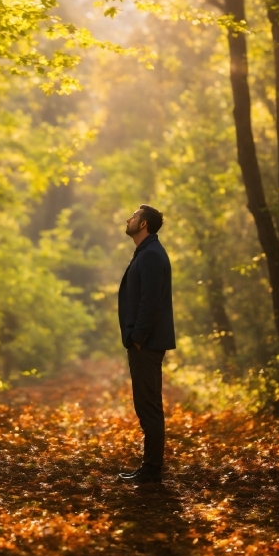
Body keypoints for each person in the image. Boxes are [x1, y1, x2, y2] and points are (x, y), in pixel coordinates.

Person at [117, 204, 175, 484]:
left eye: (134, 216)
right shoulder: (147, 252)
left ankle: (152, 471)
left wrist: (137, 338)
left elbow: (151, 302)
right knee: (147, 404)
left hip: (147, 344)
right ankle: (151, 468)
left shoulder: (151, 254)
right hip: (146, 343)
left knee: (148, 405)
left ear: (143, 225)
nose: (128, 219)